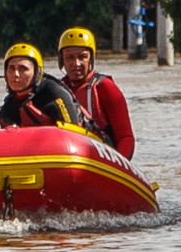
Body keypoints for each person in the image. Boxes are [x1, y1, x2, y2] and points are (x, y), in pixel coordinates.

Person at [57, 27, 136, 159]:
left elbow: (126, 138)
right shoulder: (56, 90)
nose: (76, 63)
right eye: (70, 58)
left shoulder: (105, 87)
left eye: (83, 57)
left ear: (91, 59)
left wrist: (118, 167)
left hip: (103, 162)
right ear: (62, 61)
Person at [0, 43, 82, 129]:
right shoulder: (8, 106)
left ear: (37, 73)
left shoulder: (53, 92)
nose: (16, 74)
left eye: (23, 69)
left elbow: (72, 131)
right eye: (11, 69)